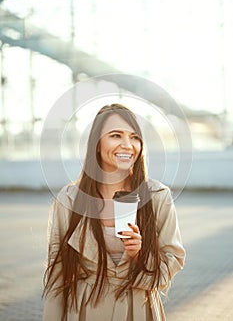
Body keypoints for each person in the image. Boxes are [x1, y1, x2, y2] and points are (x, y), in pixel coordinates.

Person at [43, 103, 185, 321]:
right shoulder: (69, 200)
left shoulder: (157, 196)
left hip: (140, 309)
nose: (128, 145)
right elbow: (57, 275)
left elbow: (173, 258)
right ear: (96, 145)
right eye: (116, 135)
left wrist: (141, 255)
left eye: (135, 137)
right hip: (84, 310)